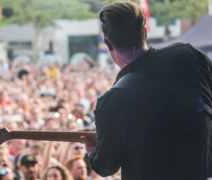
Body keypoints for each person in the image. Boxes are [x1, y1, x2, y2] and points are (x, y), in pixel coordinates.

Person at [81, 1, 212, 180]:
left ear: (107, 43)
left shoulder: (111, 104)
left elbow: (107, 166)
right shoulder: (190, 56)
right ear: (144, 32)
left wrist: (93, 154)